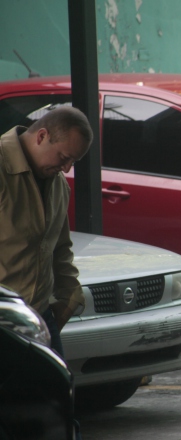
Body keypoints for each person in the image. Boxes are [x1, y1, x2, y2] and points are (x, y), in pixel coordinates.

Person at [0, 105, 92, 356]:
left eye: (74, 161)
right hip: (5, 319)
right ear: (41, 136)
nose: (67, 169)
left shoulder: (58, 185)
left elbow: (60, 248)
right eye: (64, 158)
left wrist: (70, 299)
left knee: (55, 393)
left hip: (40, 316)